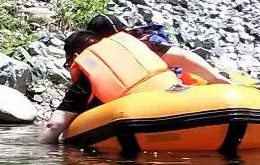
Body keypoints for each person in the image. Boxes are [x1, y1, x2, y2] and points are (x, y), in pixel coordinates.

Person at [39, 14, 179, 144]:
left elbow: (55, 125)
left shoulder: (87, 77)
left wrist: (41, 151)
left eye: (68, 64)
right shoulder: (137, 54)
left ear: (76, 57)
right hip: (178, 96)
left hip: (150, 116)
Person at [131, 22, 229, 87]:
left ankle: (215, 78)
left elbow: (179, 57)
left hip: (174, 84)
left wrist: (214, 78)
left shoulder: (139, 43)